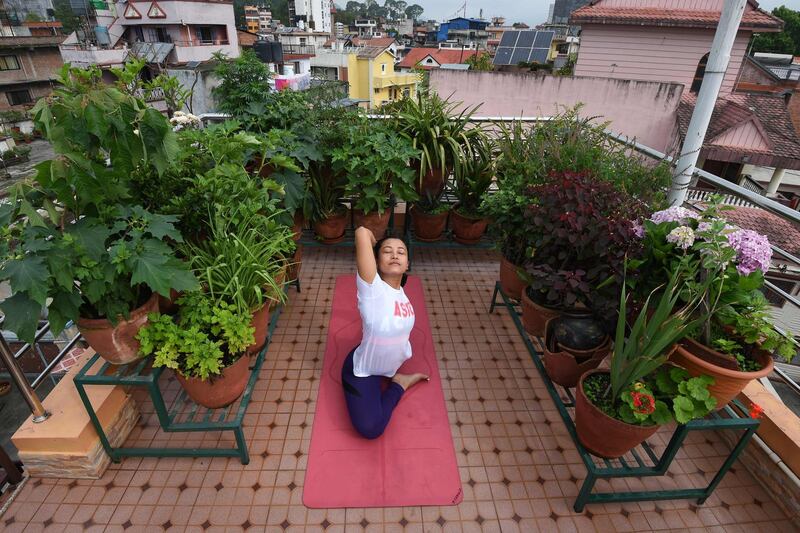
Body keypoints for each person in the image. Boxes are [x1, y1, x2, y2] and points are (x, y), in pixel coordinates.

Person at [341, 226, 429, 439]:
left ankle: (392, 374)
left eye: (401, 252)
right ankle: (400, 383)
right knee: (372, 428)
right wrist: (373, 245)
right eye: (387, 251)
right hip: (363, 369)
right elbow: (362, 231)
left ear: (407, 264)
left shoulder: (401, 291)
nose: (395, 255)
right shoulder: (372, 289)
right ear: (376, 261)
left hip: (385, 366)